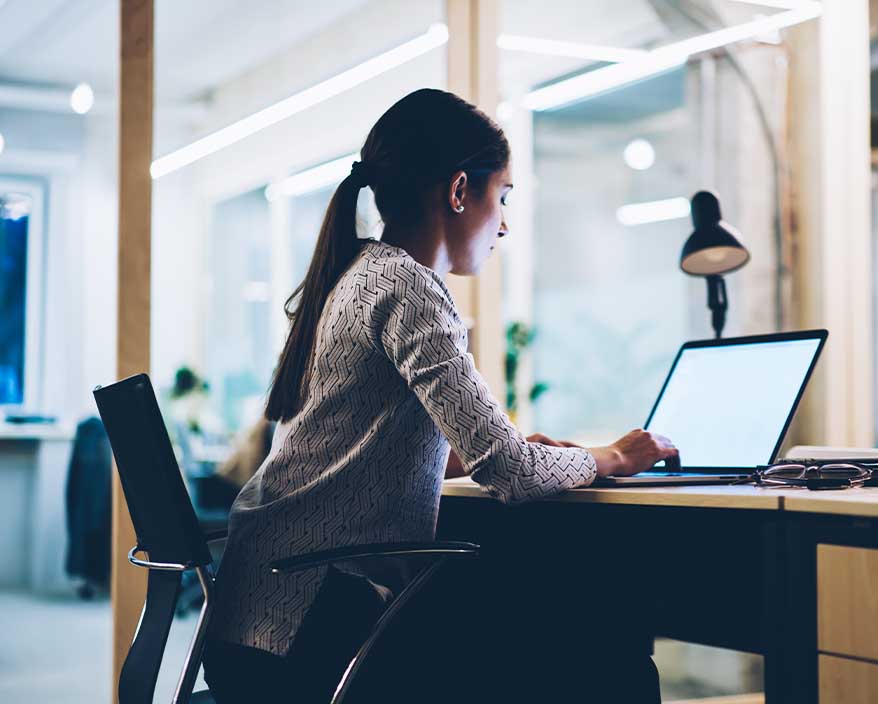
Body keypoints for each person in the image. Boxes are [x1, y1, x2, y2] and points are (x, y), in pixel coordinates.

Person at [202, 88, 679, 703]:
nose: (504, 222)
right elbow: (508, 472)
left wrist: (478, 455)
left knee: (570, 618)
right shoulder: (409, 286)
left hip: (257, 623)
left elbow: (363, 447)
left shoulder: (357, 273)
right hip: (316, 628)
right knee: (606, 641)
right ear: (459, 192)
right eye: (502, 196)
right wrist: (613, 456)